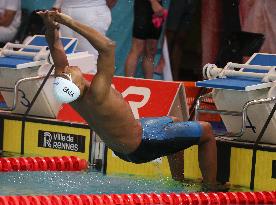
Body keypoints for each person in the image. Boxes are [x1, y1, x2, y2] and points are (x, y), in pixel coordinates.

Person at [38, 10, 219, 189]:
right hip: (143, 144)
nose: (70, 68)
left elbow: (55, 47)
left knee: (174, 121)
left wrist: (50, 25)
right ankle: (211, 187)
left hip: (124, 145)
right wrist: (67, 21)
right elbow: (108, 46)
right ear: (75, 84)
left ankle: (177, 182)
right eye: (70, 72)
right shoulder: (97, 93)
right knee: (207, 131)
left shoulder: (73, 93)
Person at [52, 0, 117, 69]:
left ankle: (93, 78)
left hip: (92, 9)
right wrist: (57, 6)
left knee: (90, 57)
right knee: (67, 56)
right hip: (65, 9)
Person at [124, 0, 167, 79]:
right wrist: (153, 2)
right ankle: (127, 81)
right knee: (137, 48)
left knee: (151, 50)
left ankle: (149, 83)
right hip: (144, 6)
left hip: (158, 9)